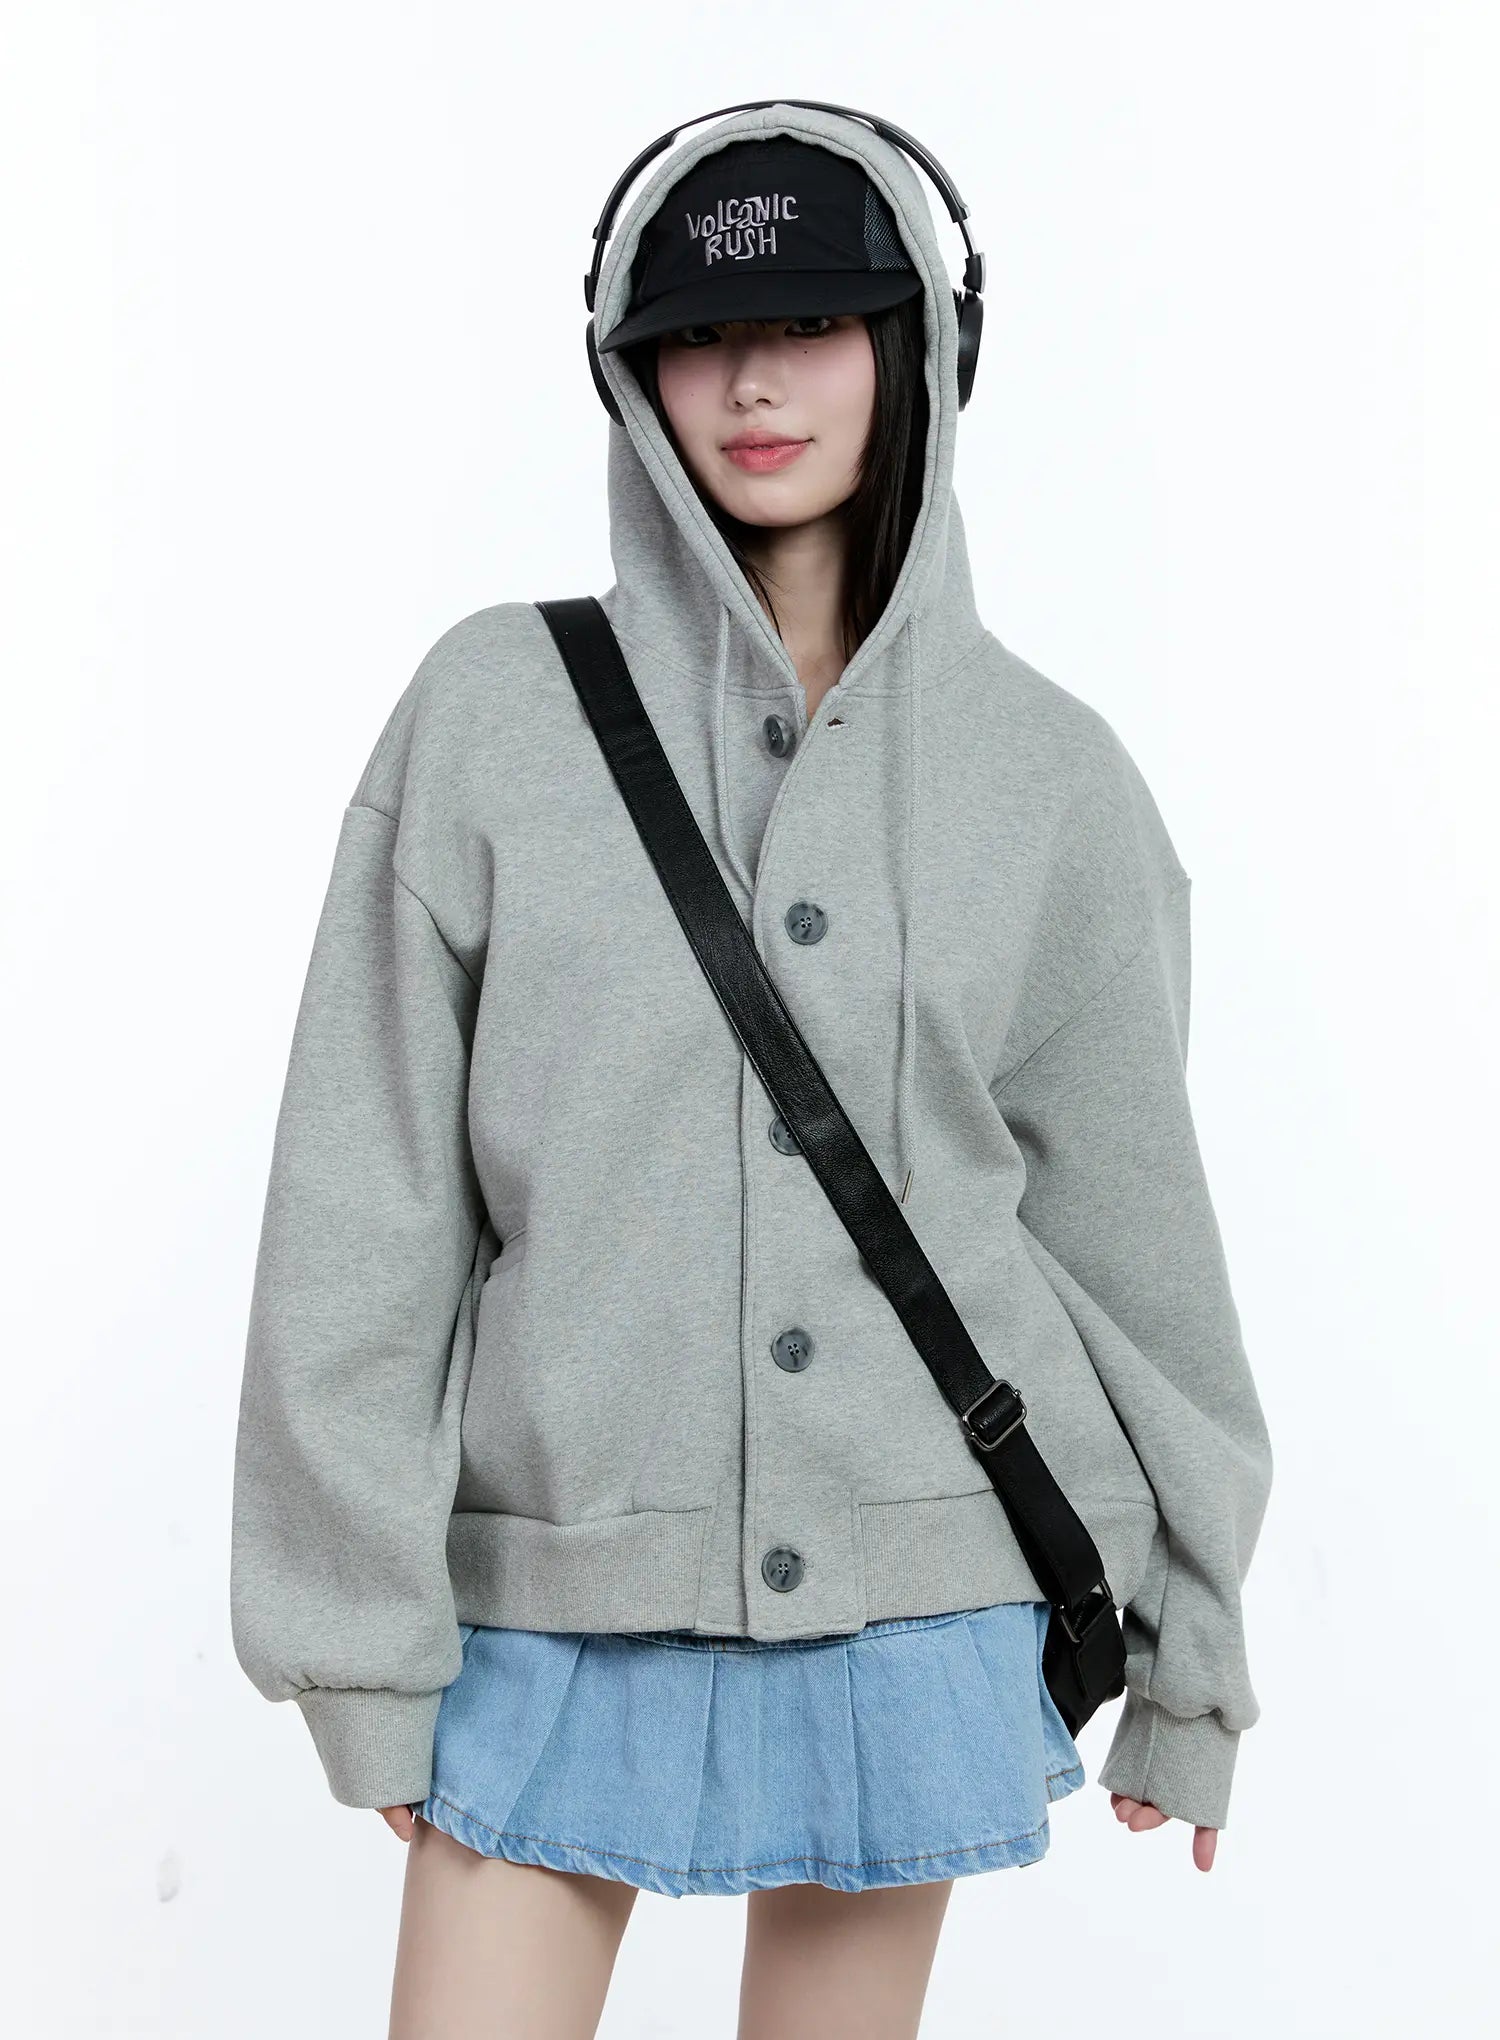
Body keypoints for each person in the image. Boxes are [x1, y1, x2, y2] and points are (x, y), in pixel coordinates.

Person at [229, 103, 1274, 2040]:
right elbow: (365, 1207)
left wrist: (1194, 1653)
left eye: (812, 322)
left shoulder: (1052, 780)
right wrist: (356, 1637)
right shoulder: (491, 716)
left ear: (923, 348)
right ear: (630, 376)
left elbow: (1133, 1244)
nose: (754, 381)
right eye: (699, 336)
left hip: (918, 1595)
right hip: (550, 1593)